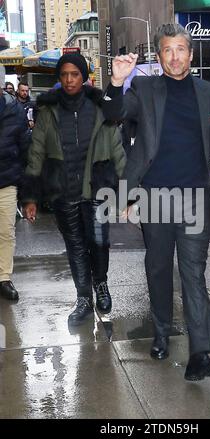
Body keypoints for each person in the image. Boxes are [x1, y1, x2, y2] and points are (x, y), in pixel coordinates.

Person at [103, 23, 210, 380]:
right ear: (159, 57)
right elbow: (111, 116)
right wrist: (116, 82)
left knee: (194, 274)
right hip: (156, 198)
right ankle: (161, 331)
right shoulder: (144, 88)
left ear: (190, 53)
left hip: (195, 200)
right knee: (158, 268)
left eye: (180, 49)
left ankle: (200, 354)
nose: (174, 57)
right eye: (167, 51)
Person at [21, 53, 126, 326]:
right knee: (76, 247)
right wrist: (30, 196)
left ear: (84, 77)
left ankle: (101, 284)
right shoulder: (48, 113)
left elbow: (117, 150)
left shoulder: (101, 109)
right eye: (64, 75)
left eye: (75, 74)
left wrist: (128, 192)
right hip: (63, 191)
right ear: (59, 78)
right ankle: (83, 299)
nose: (69, 80)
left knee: (100, 242)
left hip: (97, 189)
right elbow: (36, 154)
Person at [0, 86, 30, 301]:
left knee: (6, 231)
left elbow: (25, 149)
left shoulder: (15, 110)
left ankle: (4, 278)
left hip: (7, 181)